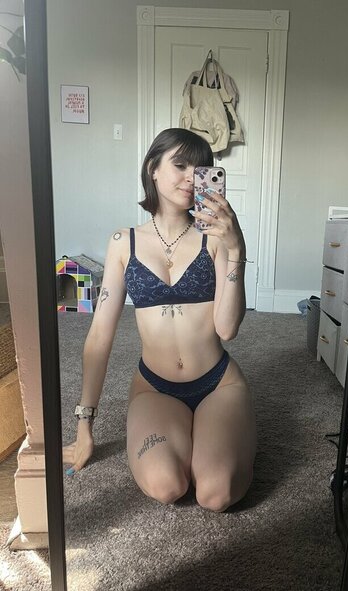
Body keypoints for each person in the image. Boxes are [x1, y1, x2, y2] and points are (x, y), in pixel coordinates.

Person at [63, 128, 257, 512]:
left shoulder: (216, 239)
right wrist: (84, 424)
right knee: (167, 485)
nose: (190, 178)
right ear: (153, 168)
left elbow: (227, 329)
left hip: (219, 383)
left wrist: (237, 250)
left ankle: (223, 434)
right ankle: (190, 437)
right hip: (155, 387)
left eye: (199, 170)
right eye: (180, 165)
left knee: (216, 493)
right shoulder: (124, 243)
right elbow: (100, 336)